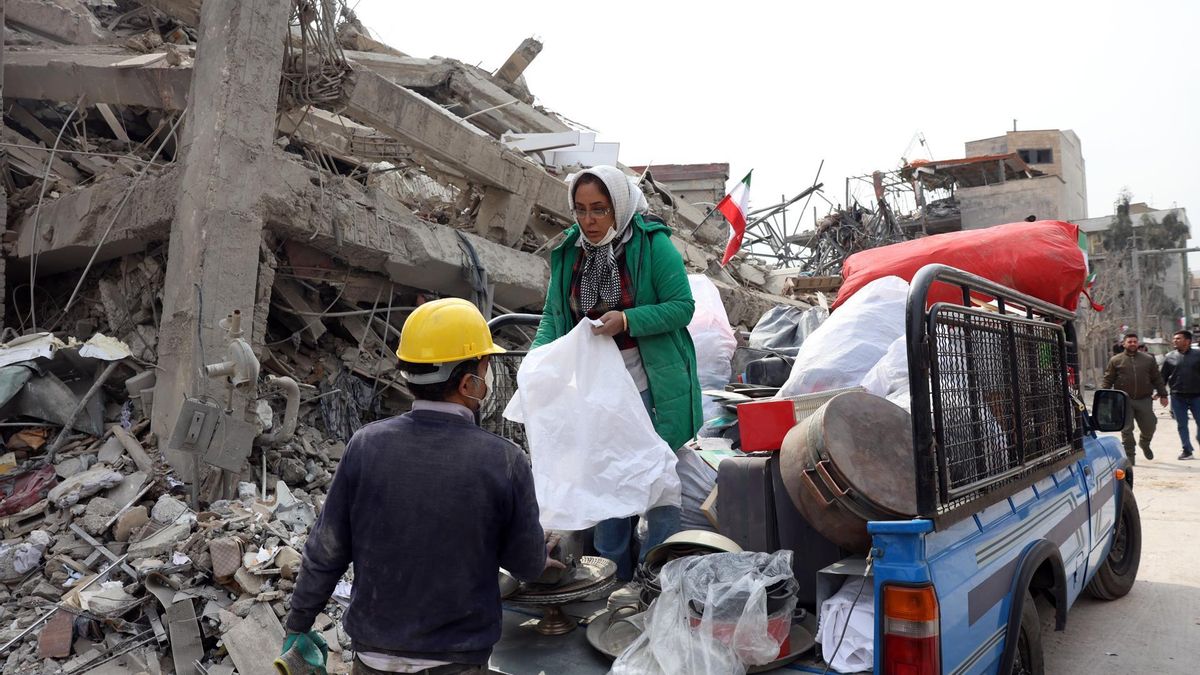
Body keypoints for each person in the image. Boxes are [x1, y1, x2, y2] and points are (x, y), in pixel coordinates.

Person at [284, 298, 560, 675]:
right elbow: (525, 565)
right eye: (486, 365)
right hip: (456, 659)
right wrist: (541, 555)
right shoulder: (504, 460)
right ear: (469, 382)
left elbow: (326, 549)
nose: (489, 375)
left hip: (373, 656)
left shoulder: (365, 445)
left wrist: (298, 623)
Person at [531, 165, 703, 582]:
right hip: (595, 386)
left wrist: (626, 321)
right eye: (581, 210)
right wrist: (535, 361)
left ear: (619, 208)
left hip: (650, 384)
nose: (589, 221)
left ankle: (655, 576)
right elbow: (555, 317)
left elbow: (682, 307)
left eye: (599, 210)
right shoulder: (571, 251)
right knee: (605, 479)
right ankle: (611, 581)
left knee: (657, 479)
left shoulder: (652, 245)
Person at [1102, 332, 1168, 463]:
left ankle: (1145, 443)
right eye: (1129, 341)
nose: (1132, 344)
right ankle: (1130, 456)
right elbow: (1108, 379)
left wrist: (1163, 394)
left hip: (1144, 399)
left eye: (1134, 341)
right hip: (1124, 400)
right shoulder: (1116, 360)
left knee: (1150, 425)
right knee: (1127, 429)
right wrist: (1104, 396)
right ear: (1124, 344)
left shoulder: (1148, 359)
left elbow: (1157, 378)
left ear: (1137, 343)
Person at [1161, 329, 1200, 460]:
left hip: (1197, 396)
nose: (1175, 341)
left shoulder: (1198, 355)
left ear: (1187, 341)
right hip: (1178, 397)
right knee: (1182, 424)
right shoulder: (1169, 356)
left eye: (1178, 338)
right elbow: (1163, 377)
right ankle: (1187, 450)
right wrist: (1161, 394)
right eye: (1174, 338)